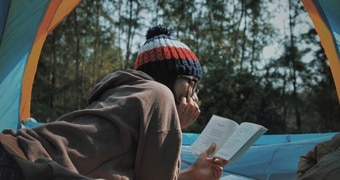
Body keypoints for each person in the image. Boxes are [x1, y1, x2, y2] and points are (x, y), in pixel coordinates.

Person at [0, 25, 228, 180]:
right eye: (191, 83)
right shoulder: (159, 94)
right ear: (169, 77)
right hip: (22, 164)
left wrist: (191, 174)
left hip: (15, 155)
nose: (195, 96)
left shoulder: (127, 95)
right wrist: (174, 125)